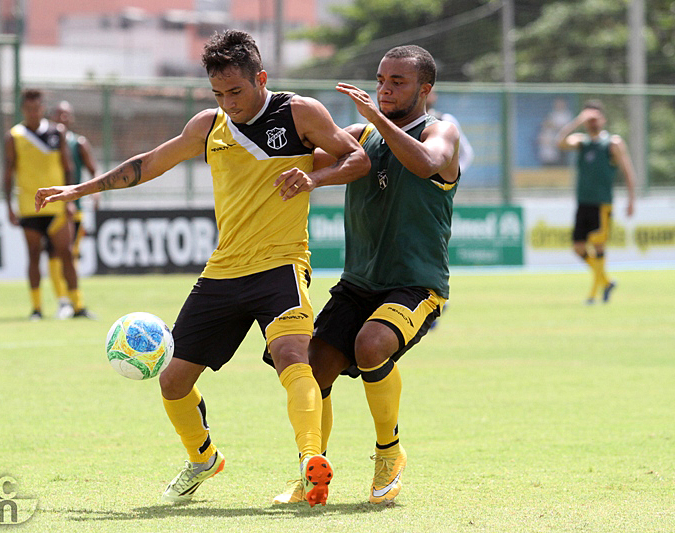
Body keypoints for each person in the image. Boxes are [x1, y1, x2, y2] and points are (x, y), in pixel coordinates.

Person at [35, 30, 369, 506]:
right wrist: (79, 190)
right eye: (218, 94)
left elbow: (356, 159)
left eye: (236, 91)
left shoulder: (300, 113)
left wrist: (313, 177)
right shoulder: (208, 125)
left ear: (261, 78)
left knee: (295, 360)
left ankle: (310, 463)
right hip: (223, 272)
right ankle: (203, 458)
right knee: (171, 380)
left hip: (281, 264)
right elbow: (148, 164)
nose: (228, 103)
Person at [273, 45, 460, 506]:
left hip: (416, 283)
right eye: (381, 79)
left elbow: (425, 163)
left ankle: (388, 455)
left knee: (372, 344)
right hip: (359, 282)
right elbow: (294, 159)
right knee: (312, 369)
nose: (385, 88)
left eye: (398, 81)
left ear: (425, 89)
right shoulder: (361, 135)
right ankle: (311, 471)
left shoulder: (442, 132)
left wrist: (377, 119)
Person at [4, 89, 92, 320]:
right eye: (29, 108)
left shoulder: (57, 132)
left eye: (37, 108)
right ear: (23, 109)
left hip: (57, 206)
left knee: (66, 255)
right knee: (33, 256)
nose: (34, 112)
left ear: (43, 108)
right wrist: (8, 206)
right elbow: (8, 171)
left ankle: (78, 306)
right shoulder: (14, 136)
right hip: (28, 206)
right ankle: (36, 308)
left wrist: (70, 199)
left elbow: (68, 167)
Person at [557, 100, 636, 304]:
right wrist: (577, 120)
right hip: (583, 202)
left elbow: (627, 171)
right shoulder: (582, 142)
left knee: (599, 246)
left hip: (602, 204)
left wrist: (631, 199)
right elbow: (560, 142)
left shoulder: (612, 143)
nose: (592, 122)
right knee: (578, 247)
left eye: (595, 118)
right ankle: (606, 281)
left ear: (603, 119)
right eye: (588, 119)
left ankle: (594, 294)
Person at [47, 101, 100, 320]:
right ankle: (63, 301)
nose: (63, 118)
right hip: (49, 209)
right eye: (59, 114)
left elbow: (92, 169)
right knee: (52, 256)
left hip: (73, 209)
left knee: (69, 255)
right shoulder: (45, 143)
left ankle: (74, 302)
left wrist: (96, 192)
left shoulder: (77, 143)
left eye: (67, 114)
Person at [426, 88, 473, 173]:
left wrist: (455, 173)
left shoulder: (444, 119)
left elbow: (466, 152)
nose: (425, 95)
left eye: (429, 92)